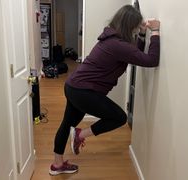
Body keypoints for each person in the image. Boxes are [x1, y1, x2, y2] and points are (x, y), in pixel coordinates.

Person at [49, 4, 161, 176]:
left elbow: (134, 55)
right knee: (119, 117)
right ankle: (80, 135)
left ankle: (57, 165)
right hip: (83, 90)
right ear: (128, 25)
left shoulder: (111, 38)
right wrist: (155, 32)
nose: (135, 30)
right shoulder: (118, 45)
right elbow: (151, 60)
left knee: (67, 124)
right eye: (135, 26)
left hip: (73, 86)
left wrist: (142, 33)